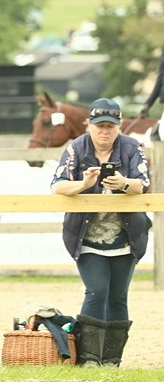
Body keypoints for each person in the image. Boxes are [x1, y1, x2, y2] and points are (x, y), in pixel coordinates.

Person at [50, 98, 151, 366]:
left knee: (118, 296)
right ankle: (89, 359)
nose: (104, 131)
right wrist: (84, 184)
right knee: (96, 291)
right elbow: (57, 185)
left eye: (110, 126)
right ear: (89, 125)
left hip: (126, 235)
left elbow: (143, 184)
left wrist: (123, 183)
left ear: (119, 127)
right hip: (86, 236)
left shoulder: (131, 147)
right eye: (99, 126)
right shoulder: (77, 148)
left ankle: (112, 360)